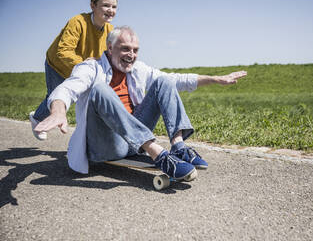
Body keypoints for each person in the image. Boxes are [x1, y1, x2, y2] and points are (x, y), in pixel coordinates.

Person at [34, 26, 247, 180]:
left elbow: (176, 80)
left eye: (135, 50)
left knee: (164, 81)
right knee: (100, 89)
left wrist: (215, 79)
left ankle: (178, 147)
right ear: (109, 48)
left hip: (132, 141)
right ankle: (158, 154)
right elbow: (66, 89)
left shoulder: (137, 69)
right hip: (105, 145)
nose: (131, 55)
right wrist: (58, 110)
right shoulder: (91, 68)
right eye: (125, 49)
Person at [29, 0, 118, 141]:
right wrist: (84, 64)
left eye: (114, 6)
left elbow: (109, 54)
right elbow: (63, 51)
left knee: (87, 100)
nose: (110, 10)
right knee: (55, 96)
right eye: (106, 5)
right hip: (58, 64)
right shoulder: (78, 22)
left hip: (83, 69)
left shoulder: (110, 30)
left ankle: (93, 139)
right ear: (93, 6)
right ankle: (37, 118)